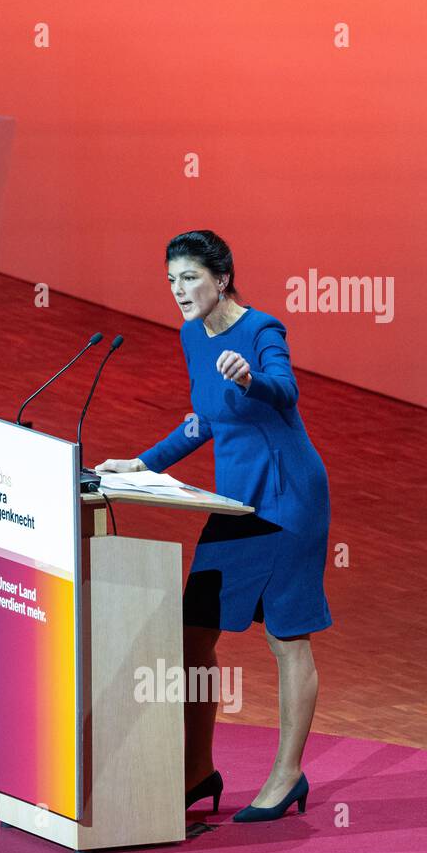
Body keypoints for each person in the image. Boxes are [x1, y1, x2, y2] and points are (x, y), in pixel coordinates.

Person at [96, 230, 330, 822]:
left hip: (286, 498)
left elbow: (285, 391)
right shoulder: (191, 336)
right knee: (192, 631)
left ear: (221, 279)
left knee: (286, 636)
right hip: (234, 503)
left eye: (190, 278)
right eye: (172, 280)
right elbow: (205, 420)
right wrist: (143, 462)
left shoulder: (261, 330)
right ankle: (197, 771)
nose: (179, 290)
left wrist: (251, 378)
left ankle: (287, 776)